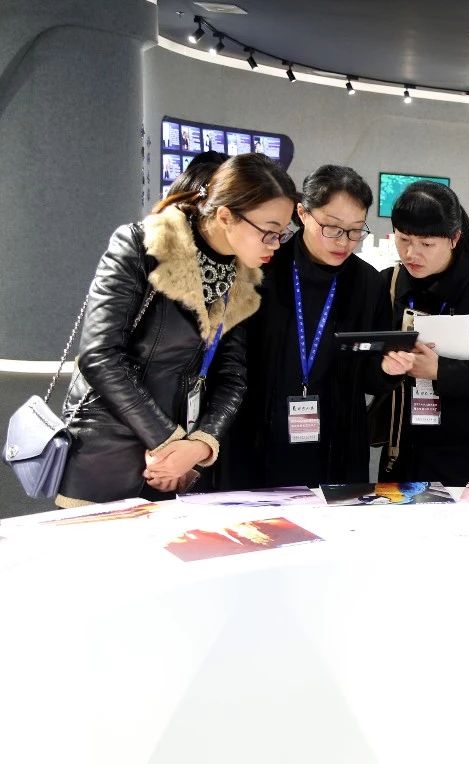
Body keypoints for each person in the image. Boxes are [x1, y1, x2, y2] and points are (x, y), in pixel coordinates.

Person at [55, 153, 297, 507]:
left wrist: (199, 445)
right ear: (225, 216)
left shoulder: (240, 277)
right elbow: (100, 356)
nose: (275, 244)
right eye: (269, 232)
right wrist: (169, 442)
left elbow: (232, 377)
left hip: (177, 464)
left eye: (283, 233)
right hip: (107, 452)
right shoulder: (142, 245)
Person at [220, 165, 392, 489]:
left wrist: (390, 369)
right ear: (302, 213)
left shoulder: (368, 283)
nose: (344, 242)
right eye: (332, 228)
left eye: (356, 231)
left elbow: (370, 378)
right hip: (258, 439)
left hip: (336, 447)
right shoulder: (263, 270)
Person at [377, 181, 469, 485]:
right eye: (403, 239)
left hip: (468, 458)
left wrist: (440, 370)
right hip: (401, 451)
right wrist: (384, 366)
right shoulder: (387, 284)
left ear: (454, 238)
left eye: (427, 244)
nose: (412, 253)